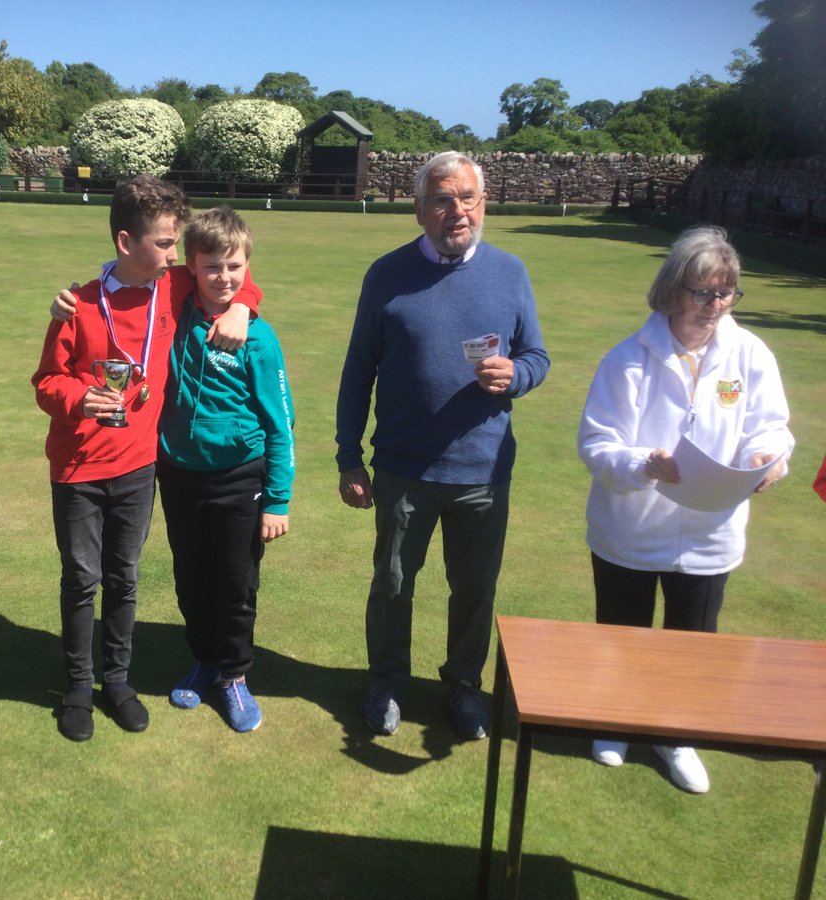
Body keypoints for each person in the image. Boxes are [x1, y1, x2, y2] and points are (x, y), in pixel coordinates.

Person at [32, 175, 261, 742]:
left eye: (175, 242)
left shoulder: (176, 283)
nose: (175, 254)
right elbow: (45, 381)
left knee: (124, 578)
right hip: (79, 468)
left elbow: (232, 275)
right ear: (124, 242)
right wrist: (79, 398)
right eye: (163, 242)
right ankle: (79, 689)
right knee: (82, 579)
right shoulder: (78, 304)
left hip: (139, 467)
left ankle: (118, 681)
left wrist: (244, 311)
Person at [335, 151, 550, 741]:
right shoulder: (386, 274)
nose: (457, 211)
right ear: (419, 208)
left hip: (483, 470)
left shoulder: (510, 272)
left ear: (483, 204)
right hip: (405, 467)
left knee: (475, 589)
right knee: (394, 584)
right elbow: (359, 371)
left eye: (468, 199)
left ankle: (463, 688)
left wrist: (518, 375)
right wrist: (348, 456)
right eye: (442, 199)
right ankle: (385, 683)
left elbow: (537, 356)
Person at [577, 225, 794, 793]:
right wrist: (643, 463)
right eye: (702, 293)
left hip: (710, 534)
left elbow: (770, 427)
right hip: (630, 528)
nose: (714, 307)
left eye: (725, 294)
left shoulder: (750, 355)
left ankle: (676, 736)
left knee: (691, 644)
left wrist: (768, 457)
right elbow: (596, 444)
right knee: (622, 632)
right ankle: (613, 722)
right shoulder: (627, 359)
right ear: (673, 291)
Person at [156, 207, 295, 733]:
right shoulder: (171, 311)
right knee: (191, 578)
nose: (224, 277)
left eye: (234, 267)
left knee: (235, 583)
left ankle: (235, 675)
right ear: (190, 266)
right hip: (179, 473)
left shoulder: (257, 338)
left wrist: (278, 498)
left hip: (240, 476)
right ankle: (205, 660)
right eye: (212, 267)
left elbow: (281, 424)